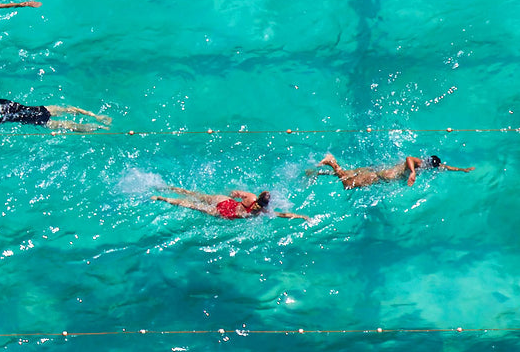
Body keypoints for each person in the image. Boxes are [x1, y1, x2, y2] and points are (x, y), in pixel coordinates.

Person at [311, 153, 473, 189]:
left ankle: (317, 172)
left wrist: (462, 169)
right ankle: (331, 161)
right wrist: (413, 172)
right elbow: (409, 158)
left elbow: (444, 166)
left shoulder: (428, 165)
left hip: (378, 172)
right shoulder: (418, 163)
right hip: (377, 176)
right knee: (348, 184)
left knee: (346, 174)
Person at [153, 186, 312, 221]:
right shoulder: (259, 212)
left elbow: (234, 193)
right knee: (191, 205)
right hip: (225, 214)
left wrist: (232, 194)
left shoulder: (250, 196)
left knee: (195, 195)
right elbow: (282, 215)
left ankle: (166, 189)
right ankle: (162, 198)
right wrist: (301, 216)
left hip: (223, 201)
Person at [0, 97, 111, 132]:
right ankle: (97, 117)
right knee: (69, 109)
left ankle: (100, 128)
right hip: (42, 110)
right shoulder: (10, 103)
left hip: (40, 121)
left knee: (72, 127)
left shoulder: (6, 117)